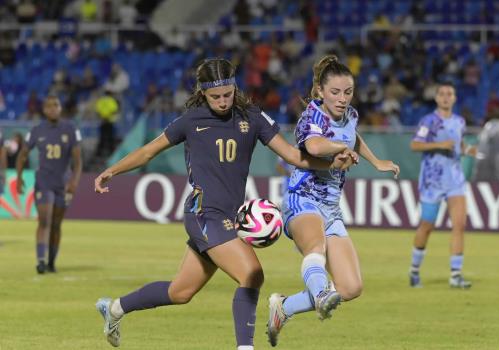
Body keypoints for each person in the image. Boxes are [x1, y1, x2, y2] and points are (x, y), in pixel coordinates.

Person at [93, 58, 356, 350]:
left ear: (234, 87)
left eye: (227, 94)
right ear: (203, 93)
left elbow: (294, 156)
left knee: (180, 291)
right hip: (203, 213)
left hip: (230, 216)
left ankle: (114, 308)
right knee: (252, 274)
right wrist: (112, 170)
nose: (222, 101)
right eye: (215, 96)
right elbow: (147, 152)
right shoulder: (191, 120)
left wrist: (332, 161)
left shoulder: (252, 117)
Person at [266, 55, 400, 347]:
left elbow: (353, 136)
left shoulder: (350, 115)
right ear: (320, 92)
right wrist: (339, 146)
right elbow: (314, 146)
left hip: (331, 208)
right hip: (302, 199)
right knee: (315, 249)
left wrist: (375, 161)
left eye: (348, 92)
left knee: (351, 288)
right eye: (335, 92)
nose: (342, 99)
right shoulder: (311, 117)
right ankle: (321, 292)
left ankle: (284, 307)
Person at [407, 81, 477, 289]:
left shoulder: (460, 122)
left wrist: (467, 150)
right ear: (437, 98)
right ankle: (414, 270)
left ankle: (456, 276)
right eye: (442, 94)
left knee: (459, 225)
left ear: (454, 98)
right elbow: (415, 144)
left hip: (455, 180)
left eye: (450, 94)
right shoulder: (428, 121)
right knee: (427, 226)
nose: (446, 97)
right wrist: (439, 145)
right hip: (432, 182)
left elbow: (459, 145)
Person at [16, 95, 83, 274]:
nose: (52, 109)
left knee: (56, 224)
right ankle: (40, 261)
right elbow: (22, 154)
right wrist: (19, 177)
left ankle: (52, 262)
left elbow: (78, 161)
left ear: (60, 108)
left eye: (56, 105)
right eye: (49, 106)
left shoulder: (70, 129)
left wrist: (74, 181)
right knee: (44, 220)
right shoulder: (37, 130)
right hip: (43, 182)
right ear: (44, 110)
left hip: (62, 184)